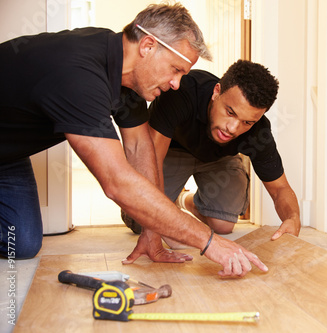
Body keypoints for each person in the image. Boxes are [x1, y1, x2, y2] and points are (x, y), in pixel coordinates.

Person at [0, 3, 268, 277]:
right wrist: (209, 241)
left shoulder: (127, 78)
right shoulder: (79, 74)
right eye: (175, 69)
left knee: (22, 243)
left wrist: (153, 232)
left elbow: (140, 148)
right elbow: (117, 182)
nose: (176, 84)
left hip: (9, 156)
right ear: (148, 46)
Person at [123, 60, 301, 250]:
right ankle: (169, 203)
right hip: (172, 150)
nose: (232, 128)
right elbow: (151, 162)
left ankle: (185, 201)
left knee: (222, 225)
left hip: (218, 158)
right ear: (217, 91)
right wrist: (171, 225)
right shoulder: (182, 93)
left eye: (247, 122)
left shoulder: (258, 131)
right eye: (230, 112)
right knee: (141, 221)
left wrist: (293, 218)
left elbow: (280, 188)